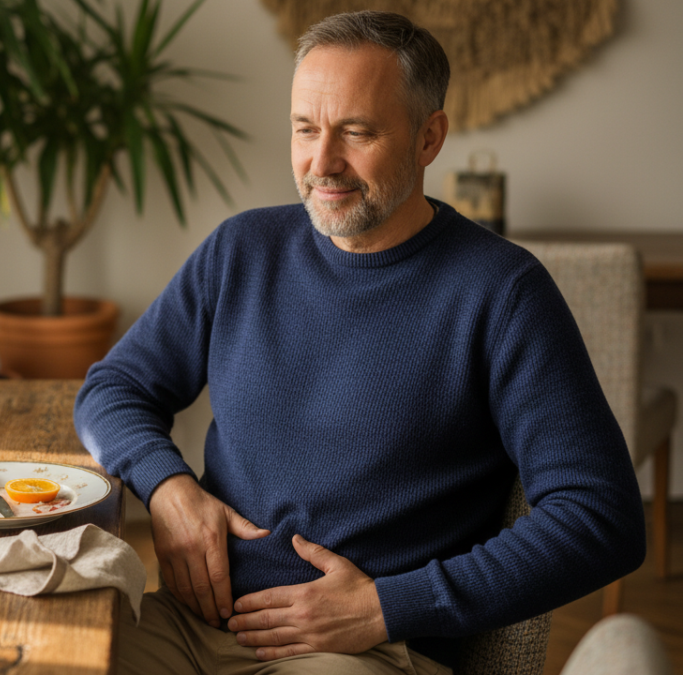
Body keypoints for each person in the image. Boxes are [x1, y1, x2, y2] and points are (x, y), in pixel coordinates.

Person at [74, 10, 645, 675]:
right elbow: (111, 389)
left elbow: (600, 516)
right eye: (305, 129)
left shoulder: (503, 292)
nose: (322, 163)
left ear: (429, 137)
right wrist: (168, 486)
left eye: (356, 132)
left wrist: (387, 606)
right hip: (190, 625)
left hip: (360, 649)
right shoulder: (241, 250)